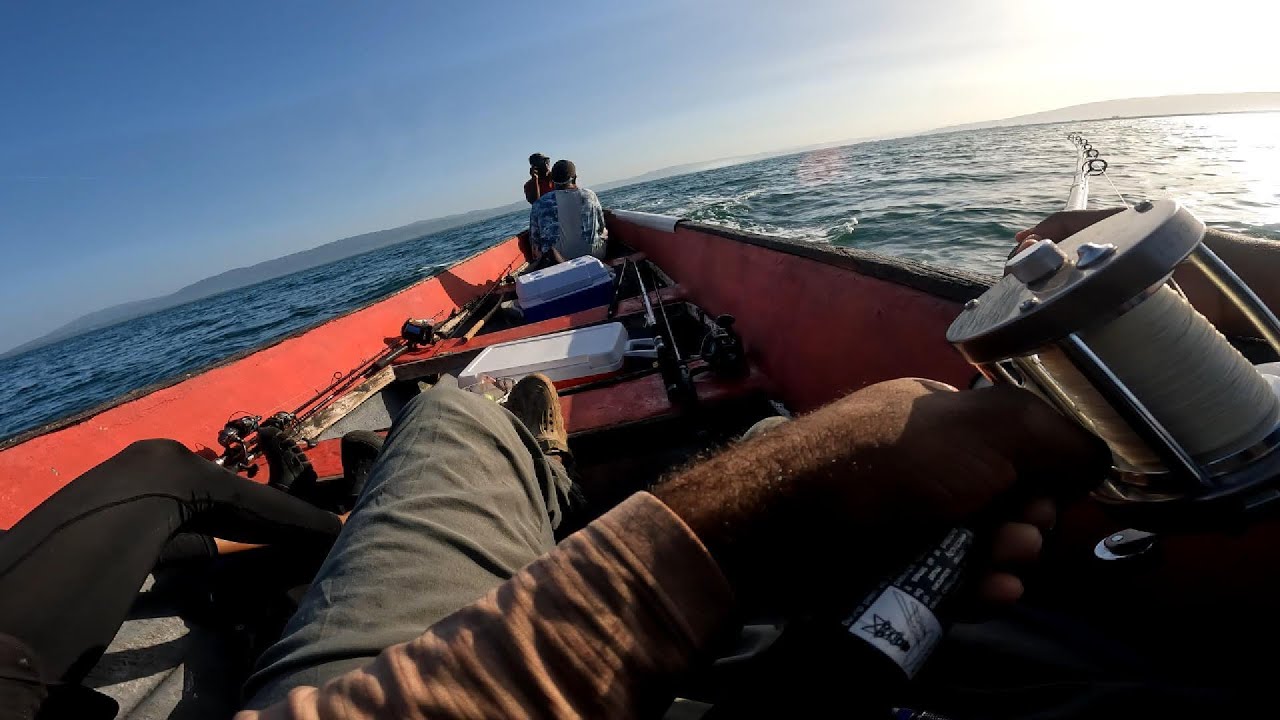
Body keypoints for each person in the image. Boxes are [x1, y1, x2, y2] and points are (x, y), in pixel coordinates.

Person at [529, 159, 609, 263]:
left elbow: (535, 241)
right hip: (594, 256)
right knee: (605, 233)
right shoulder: (590, 195)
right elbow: (601, 227)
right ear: (575, 178)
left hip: (557, 262)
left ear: (552, 179)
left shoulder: (539, 203)